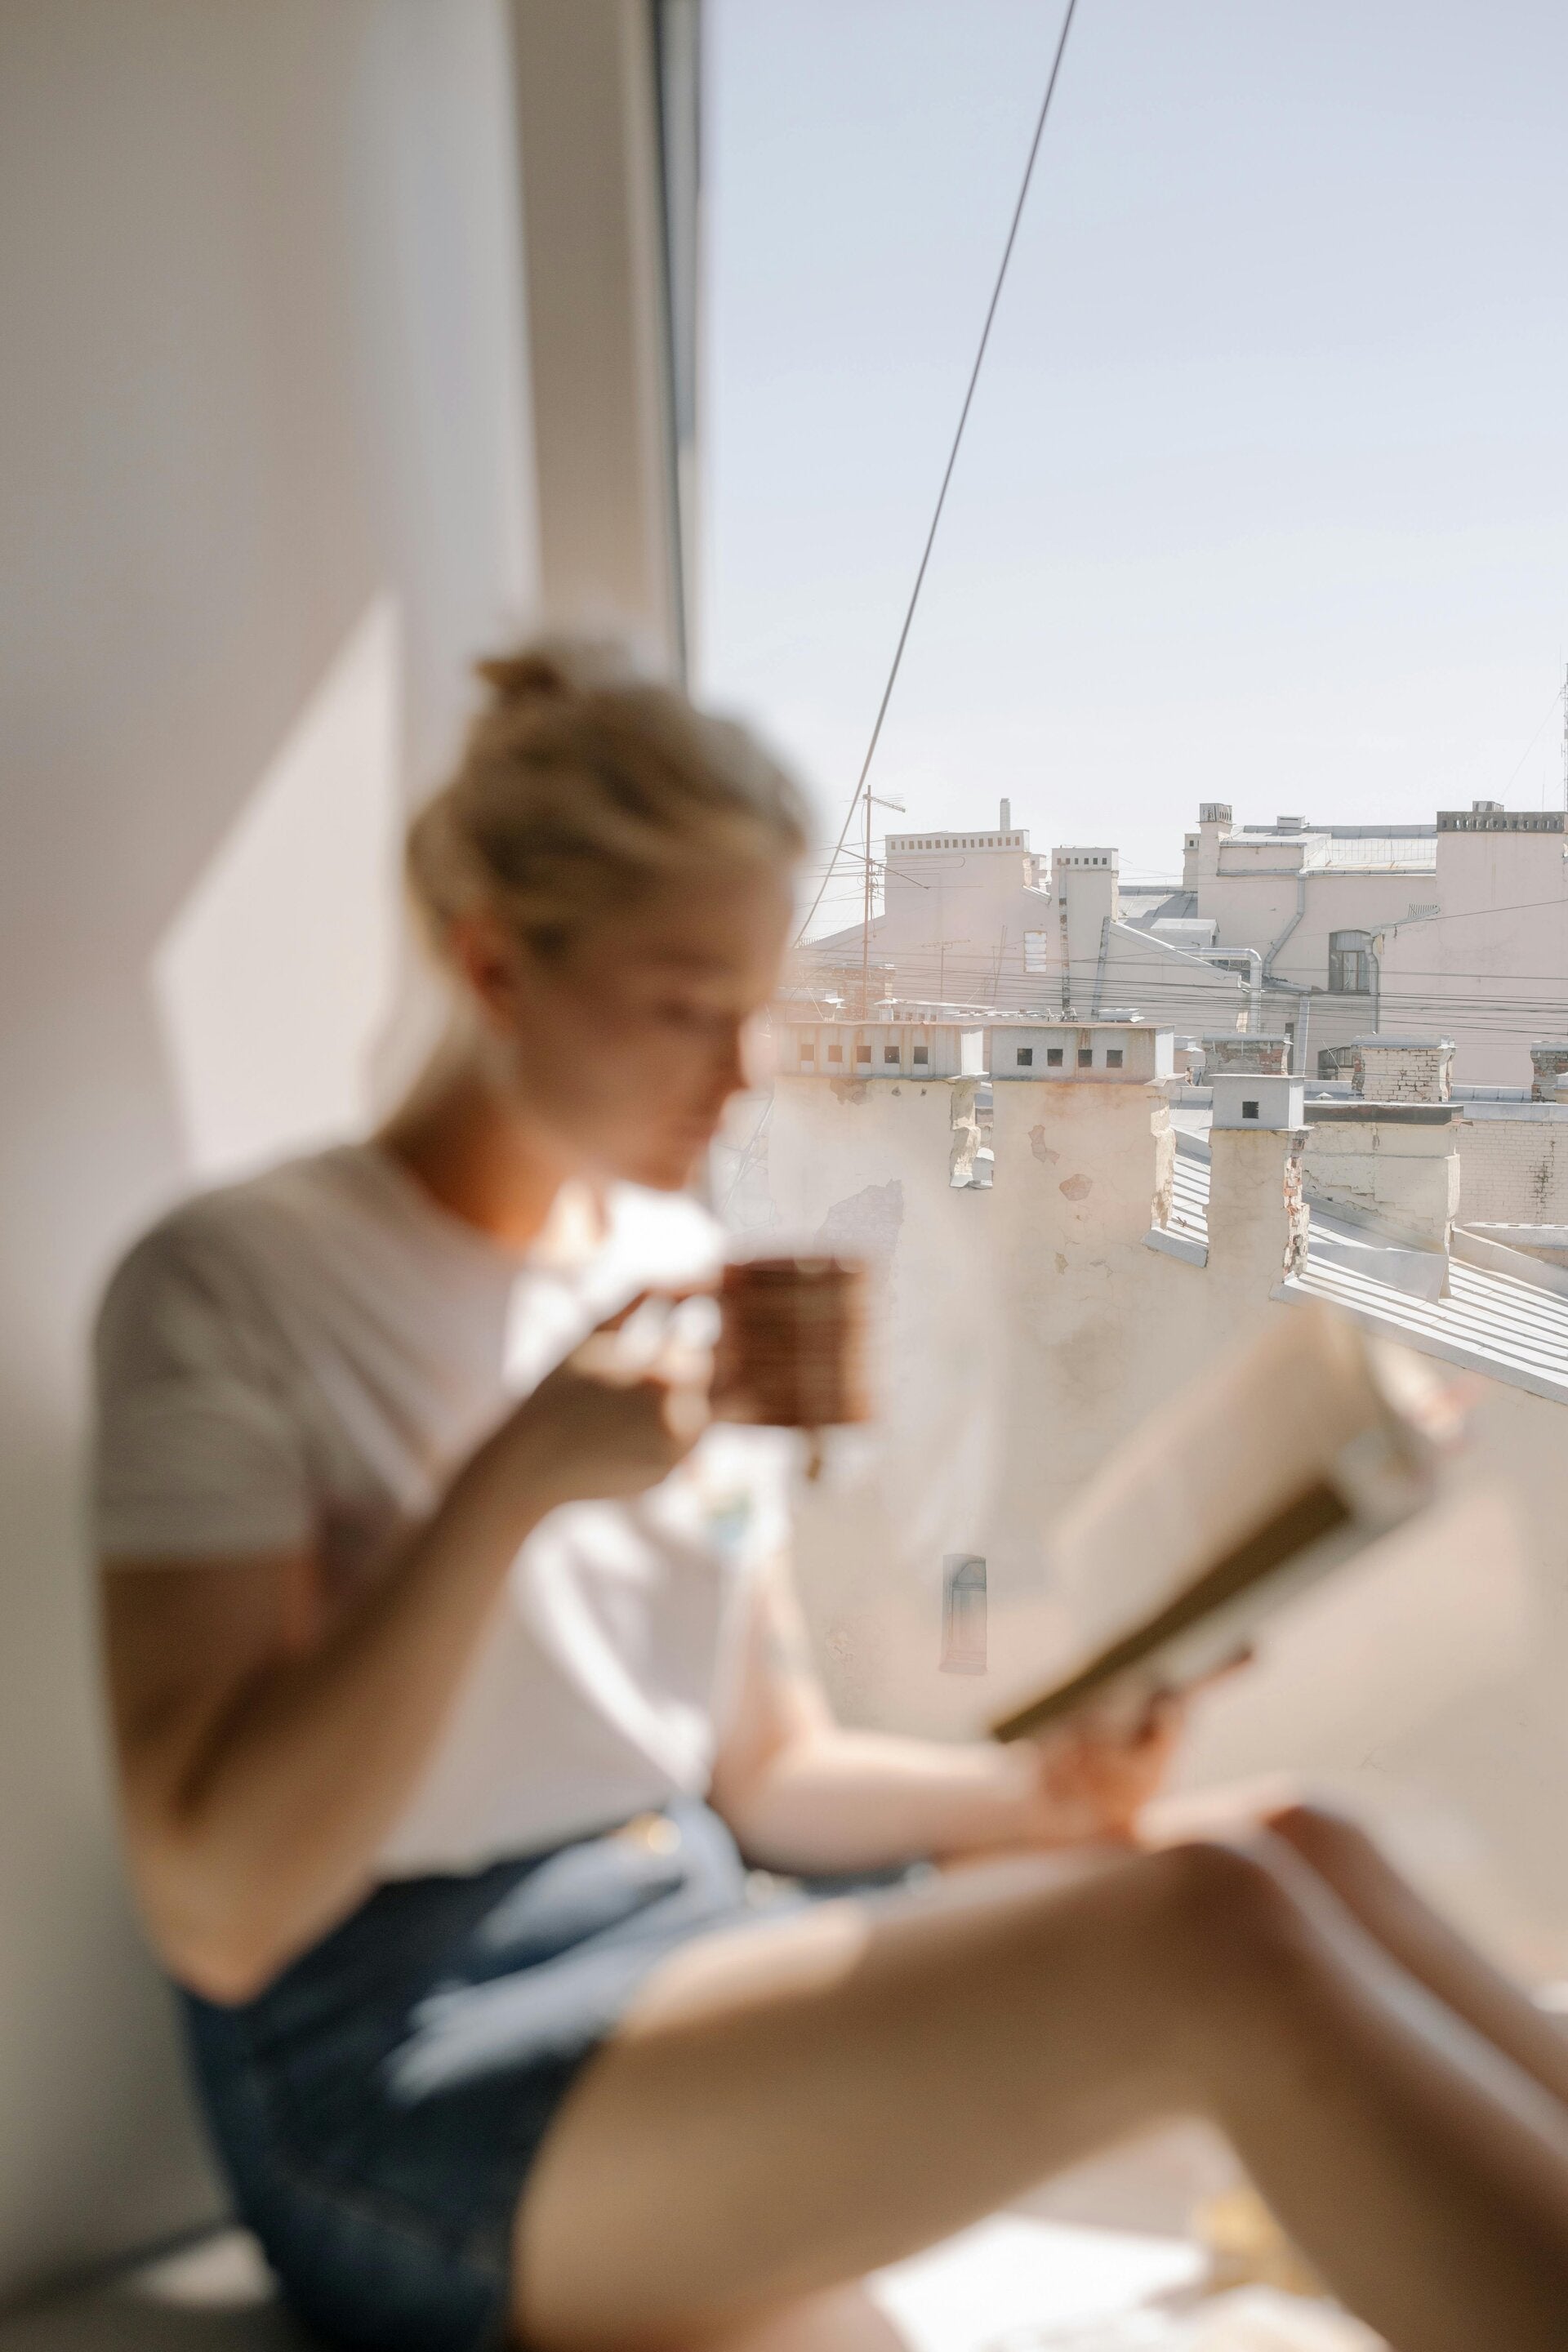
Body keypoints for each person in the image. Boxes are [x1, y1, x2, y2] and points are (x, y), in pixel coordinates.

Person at [96, 644, 1568, 2352]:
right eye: (680, 1008)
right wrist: (511, 1488)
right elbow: (216, 1909)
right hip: (401, 2069)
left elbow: (769, 1770)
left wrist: (1041, 1796)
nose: (741, 1076)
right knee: (1211, 1932)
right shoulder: (232, 1289)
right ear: (492, 965)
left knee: (1312, 1842)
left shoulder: (671, 1268)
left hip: (693, 1930)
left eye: (757, 1009)